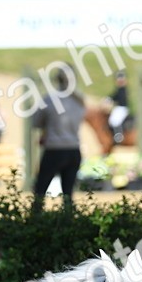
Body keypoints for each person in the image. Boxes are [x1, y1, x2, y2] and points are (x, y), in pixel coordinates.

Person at [30, 69, 85, 213]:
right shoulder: (79, 101)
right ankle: (68, 222)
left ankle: (35, 221)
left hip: (54, 149)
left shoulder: (49, 100)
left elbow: (35, 122)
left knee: (40, 191)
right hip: (74, 149)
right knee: (68, 194)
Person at [105, 70, 129, 145]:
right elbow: (114, 95)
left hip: (122, 108)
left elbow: (116, 96)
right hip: (120, 108)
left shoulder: (122, 89)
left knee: (114, 120)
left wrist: (109, 99)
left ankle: (118, 136)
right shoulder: (120, 89)